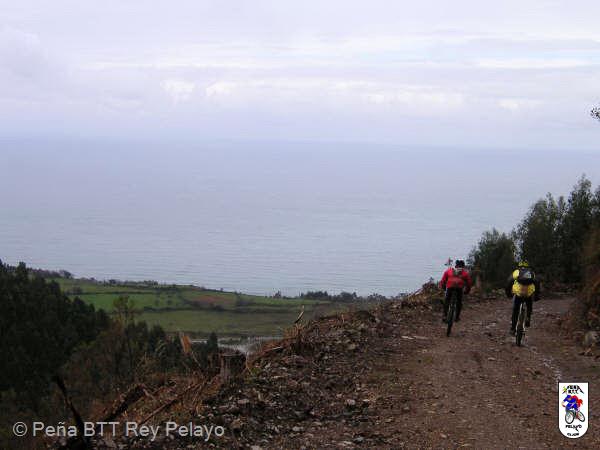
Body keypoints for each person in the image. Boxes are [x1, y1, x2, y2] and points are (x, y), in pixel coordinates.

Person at [505, 261, 540, 335]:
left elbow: (509, 281)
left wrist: (508, 294)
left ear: (519, 266)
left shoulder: (517, 272)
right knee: (529, 305)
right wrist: (536, 296)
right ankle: (528, 317)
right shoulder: (531, 273)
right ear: (528, 267)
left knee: (515, 310)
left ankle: (513, 329)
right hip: (528, 294)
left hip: (519, 294)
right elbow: (537, 282)